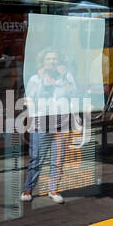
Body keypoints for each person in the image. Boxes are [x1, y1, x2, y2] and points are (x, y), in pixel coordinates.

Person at [21, 48, 77, 203]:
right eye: (48, 59)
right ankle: (28, 190)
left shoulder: (67, 77)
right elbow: (28, 99)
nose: (52, 62)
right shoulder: (35, 79)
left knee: (58, 160)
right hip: (41, 125)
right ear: (43, 62)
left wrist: (64, 78)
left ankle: (53, 190)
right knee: (36, 159)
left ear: (59, 62)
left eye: (55, 59)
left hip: (61, 125)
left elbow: (74, 95)